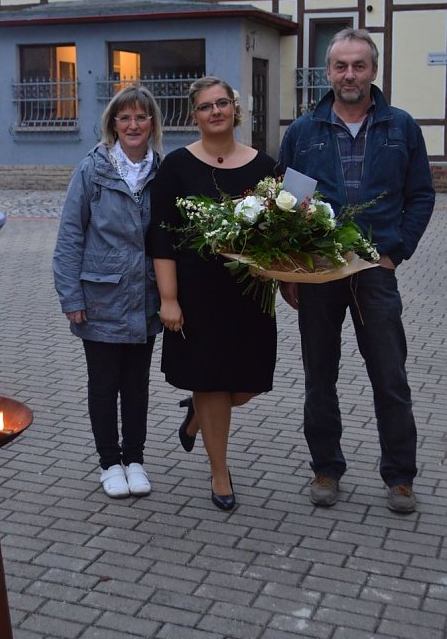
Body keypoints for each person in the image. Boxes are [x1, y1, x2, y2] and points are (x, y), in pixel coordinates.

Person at [279, 28, 435, 513]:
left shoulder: (400, 127)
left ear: (373, 70)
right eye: (341, 66)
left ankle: (400, 477)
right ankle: (326, 469)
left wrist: (396, 252)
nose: (350, 75)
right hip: (320, 272)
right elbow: (288, 203)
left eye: (359, 66)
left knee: (390, 376)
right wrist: (291, 270)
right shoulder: (304, 132)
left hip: (375, 270)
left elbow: (421, 195)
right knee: (319, 377)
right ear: (328, 72)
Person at [148, 76, 278, 510]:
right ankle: (219, 473)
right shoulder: (176, 167)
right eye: (206, 106)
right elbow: (162, 238)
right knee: (210, 382)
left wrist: (286, 274)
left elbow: (283, 231)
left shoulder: (265, 167)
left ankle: (197, 418)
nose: (216, 111)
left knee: (246, 385)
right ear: (195, 116)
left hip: (250, 296)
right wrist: (168, 299)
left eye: (222, 103)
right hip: (197, 296)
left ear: (235, 110)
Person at [53, 86, 163, 499]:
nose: (133, 125)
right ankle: (109, 463)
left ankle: (134, 460)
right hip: (101, 299)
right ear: (113, 124)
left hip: (144, 298)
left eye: (141, 117)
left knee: (136, 387)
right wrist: (71, 297)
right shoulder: (92, 170)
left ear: (152, 123)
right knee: (103, 386)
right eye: (125, 118)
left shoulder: (162, 171)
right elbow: (70, 236)